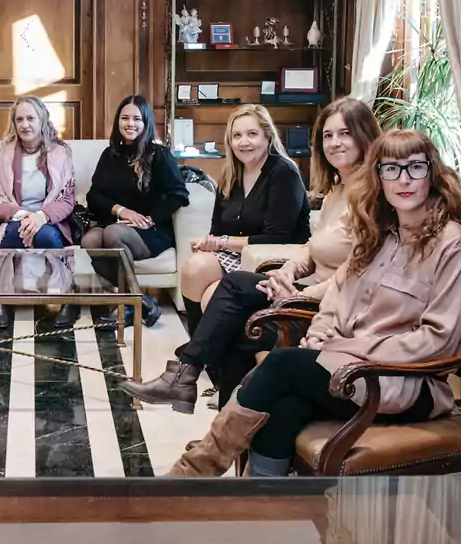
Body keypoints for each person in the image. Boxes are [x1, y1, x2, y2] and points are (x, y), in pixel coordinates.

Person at [170, 130, 461, 477]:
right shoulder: (378, 233)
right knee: (284, 408)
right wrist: (320, 332)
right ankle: (261, 508)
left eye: (415, 168)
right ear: (378, 177)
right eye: (391, 169)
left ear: (432, 174)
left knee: (281, 364)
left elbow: (438, 341)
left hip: (403, 383)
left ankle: (194, 472)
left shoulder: (453, 246)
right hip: (346, 368)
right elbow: (336, 299)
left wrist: (346, 346)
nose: (403, 179)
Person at [123, 99, 381, 412]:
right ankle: (201, 391)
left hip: (329, 300)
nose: (335, 143)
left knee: (231, 289)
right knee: (219, 288)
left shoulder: (374, 196)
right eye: (328, 136)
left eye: (344, 134)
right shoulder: (337, 191)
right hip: (305, 284)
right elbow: (312, 247)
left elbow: (358, 271)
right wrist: (287, 273)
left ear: (365, 135)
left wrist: (300, 291)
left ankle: (186, 375)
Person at [178, 104, 310, 334]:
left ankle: (208, 352)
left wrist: (223, 242)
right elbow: (217, 229)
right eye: (236, 136)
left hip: (275, 258)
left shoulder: (283, 172)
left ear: (267, 136)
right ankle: (197, 341)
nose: (243, 142)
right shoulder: (230, 175)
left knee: (213, 294)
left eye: (252, 134)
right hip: (236, 254)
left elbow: (277, 238)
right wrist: (210, 243)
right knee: (193, 267)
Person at [81, 95, 189, 328]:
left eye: (137, 119)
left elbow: (179, 195)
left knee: (112, 234)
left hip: (151, 230)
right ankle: (139, 301)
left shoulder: (160, 155)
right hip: (118, 222)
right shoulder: (110, 155)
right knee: (90, 238)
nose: (130, 123)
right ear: (118, 122)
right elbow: (94, 196)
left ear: (146, 122)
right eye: (125, 118)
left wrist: (149, 219)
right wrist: (122, 211)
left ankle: (126, 305)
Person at [0, 94, 76, 329]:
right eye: (19, 119)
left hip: (49, 219)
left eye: (30, 118)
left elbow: (67, 199)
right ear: (14, 123)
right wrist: (24, 216)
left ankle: (67, 298)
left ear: (42, 120)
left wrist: (40, 217)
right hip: (16, 217)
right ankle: (1, 300)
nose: (25, 124)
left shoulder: (60, 153)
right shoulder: (2, 155)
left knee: (46, 236)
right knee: (13, 235)